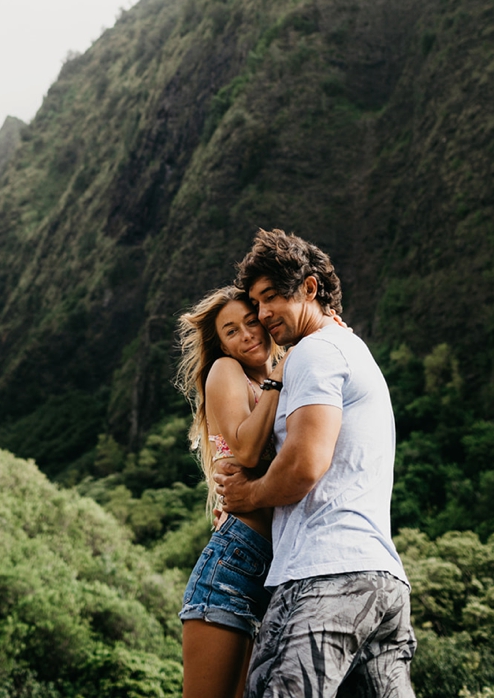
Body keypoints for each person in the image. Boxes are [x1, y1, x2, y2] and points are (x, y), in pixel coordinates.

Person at [215, 229, 415, 698]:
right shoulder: (348, 348)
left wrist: (249, 494)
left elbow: (305, 465)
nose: (263, 315)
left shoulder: (316, 352)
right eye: (256, 303)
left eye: (271, 299)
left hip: (325, 577)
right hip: (380, 584)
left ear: (309, 288)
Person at [174, 285, 286, 698]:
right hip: (234, 565)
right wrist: (277, 377)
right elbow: (247, 448)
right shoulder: (227, 372)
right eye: (232, 331)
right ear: (220, 344)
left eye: (251, 322)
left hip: (279, 569)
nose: (247, 335)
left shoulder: (277, 381)